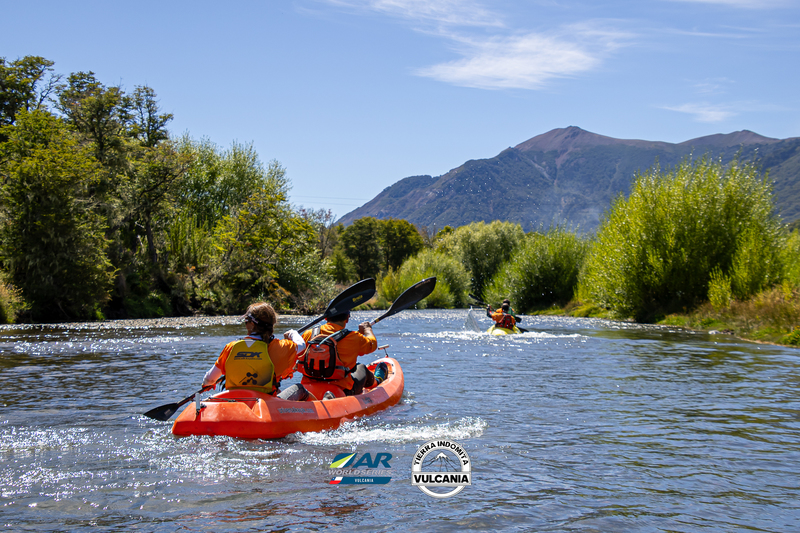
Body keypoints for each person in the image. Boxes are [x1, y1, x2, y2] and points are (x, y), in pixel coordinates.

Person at [201, 302, 306, 395]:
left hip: (235, 402)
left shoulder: (231, 347)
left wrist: (208, 384)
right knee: (299, 389)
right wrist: (292, 332)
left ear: (249, 325)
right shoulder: (281, 347)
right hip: (266, 403)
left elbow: (209, 379)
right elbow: (302, 345)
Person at [298, 310, 388, 396]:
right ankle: (377, 381)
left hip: (308, 387)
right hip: (342, 390)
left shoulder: (308, 334)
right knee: (361, 367)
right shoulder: (354, 337)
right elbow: (372, 344)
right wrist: (367, 329)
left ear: (326, 318)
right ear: (347, 318)